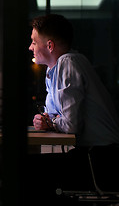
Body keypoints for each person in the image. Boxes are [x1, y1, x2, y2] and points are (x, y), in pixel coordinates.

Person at [26, 14, 119, 205]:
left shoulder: (68, 63)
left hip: (100, 159)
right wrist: (46, 120)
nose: (30, 47)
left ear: (50, 46)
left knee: (26, 170)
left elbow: (70, 124)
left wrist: (50, 122)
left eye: (34, 42)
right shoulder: (55, 69)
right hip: (96, 155)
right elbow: (54, 116)